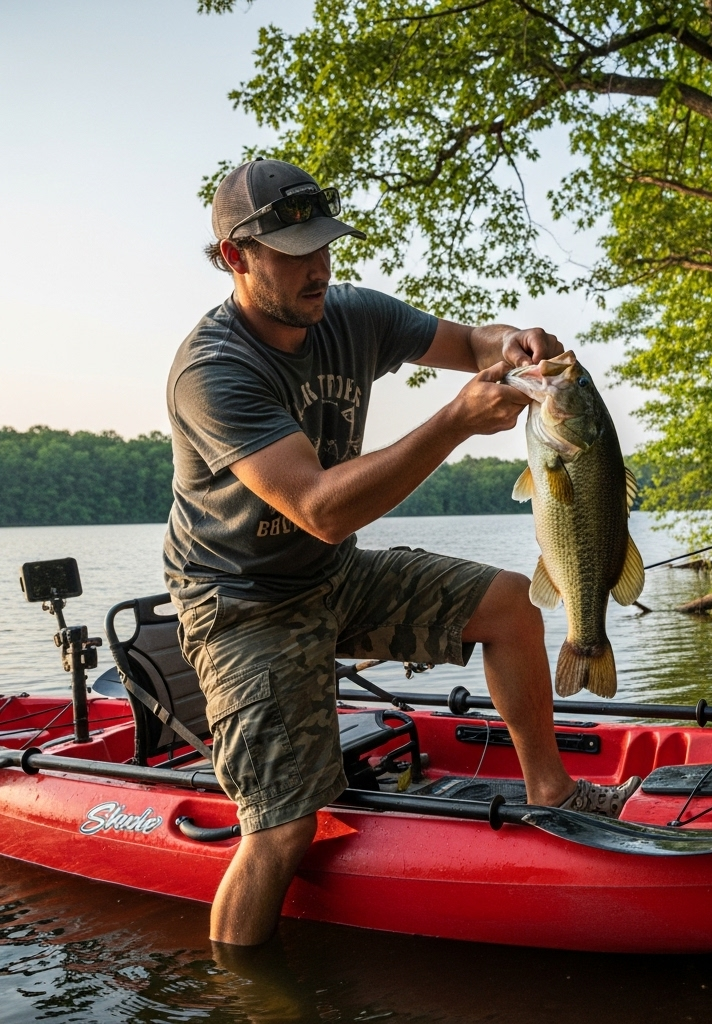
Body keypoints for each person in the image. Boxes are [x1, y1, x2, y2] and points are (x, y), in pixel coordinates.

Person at [163, 158, 640, 947]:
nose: (318, 267)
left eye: (324, 245)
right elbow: (319, 509)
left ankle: (551, 791)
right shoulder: (213, 371)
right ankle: (236, 989)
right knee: (282, 832)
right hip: (242, 605)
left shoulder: (348, 313)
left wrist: (513, 343)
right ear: (235, 258)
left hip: (332, 577)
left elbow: (468, 340)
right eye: (294, 252)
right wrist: (456, 421)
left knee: (512, 605)